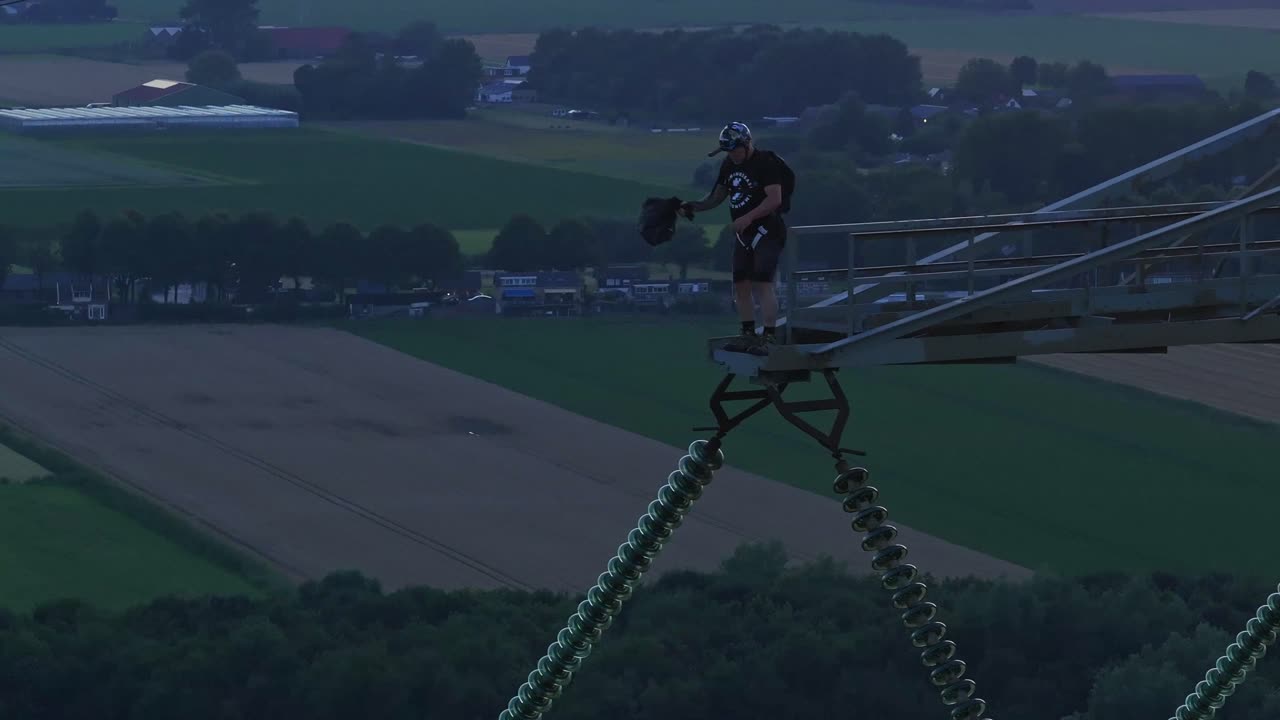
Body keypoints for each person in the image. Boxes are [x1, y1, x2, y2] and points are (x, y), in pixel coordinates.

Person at [680, 122, 788, 355]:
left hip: (767, 231)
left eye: (736, 150)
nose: (733, 155)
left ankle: (769, 338)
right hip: (743, 234)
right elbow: (715, 197)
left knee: (763, 283)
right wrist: (693, 207)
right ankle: (747, 334)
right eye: (728, 151)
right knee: (740, 285)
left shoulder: (765, 163)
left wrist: (748, 217)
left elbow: (775, 199)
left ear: (747, 144)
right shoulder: (729, 164)